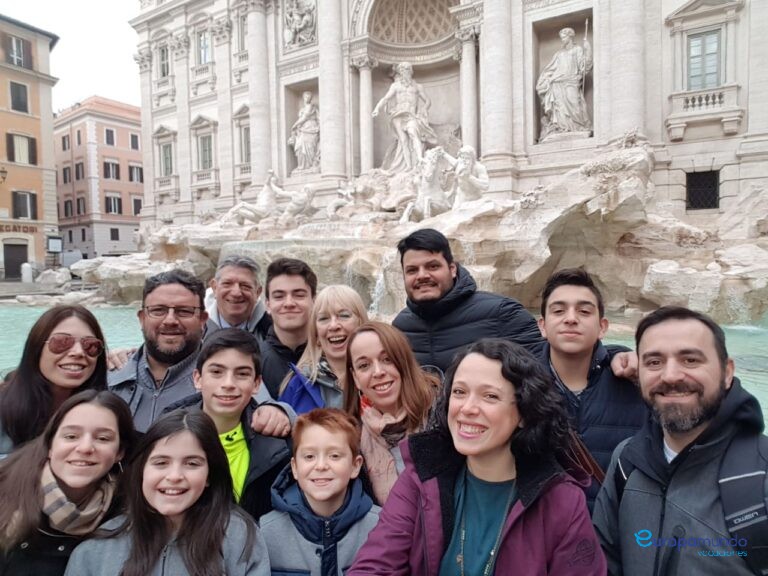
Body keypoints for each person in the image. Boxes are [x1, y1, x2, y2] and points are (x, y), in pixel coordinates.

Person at [349, 338, 606, 575]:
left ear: (525, 413)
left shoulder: (562, 502)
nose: (467, 408)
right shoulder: (421, 477)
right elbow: (376, 564)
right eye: (460, 392)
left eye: (490, 396)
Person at [593, 306, 768, 576]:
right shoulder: (626, 461)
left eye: (690, 360)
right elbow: (604, 563)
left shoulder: (761, 471)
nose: (671, 375)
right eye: (654, 362)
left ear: (727, 372)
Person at [65, 409, 270, 576]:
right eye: (161, 463)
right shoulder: (96, 550)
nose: (174, 476)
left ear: (209, 474)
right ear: (142, 470)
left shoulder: (239, 537)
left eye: (192, 463)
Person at [108, 269, 290, 436]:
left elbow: (267, 410)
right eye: (158, 311)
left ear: (203, 320)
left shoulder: (226, 375)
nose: (170, 320)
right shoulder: (111, 375)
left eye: (184, 311)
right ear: (142, 318)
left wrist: (280, 413)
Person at [538, 268, 647, 511]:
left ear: (602, 327)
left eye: (584, 311)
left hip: (613, 532)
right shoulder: (518, 385)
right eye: (558, 310)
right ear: (543, 326)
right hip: (540, 532)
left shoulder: (636, 382)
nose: (571, 318)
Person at [0, 390, 134, 575]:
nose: (85, 447)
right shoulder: (6, 492)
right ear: (50, 445)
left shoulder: (127, 513)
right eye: (71, 436)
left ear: (119, 452)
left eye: (103, 438)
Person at [164, 328, 291, 520]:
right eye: (216, 372)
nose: (228, 383)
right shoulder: (165, 438)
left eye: (241, 374)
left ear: (256, 384)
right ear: (198, 378)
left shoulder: (277, 447)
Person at [392, 228, 545, 373]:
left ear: (452, 269)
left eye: (432, 266)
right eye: (412, 270)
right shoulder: (400, 328)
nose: (422, 275)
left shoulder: (504, 313)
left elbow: (542, 379)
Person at [261, 408, 380, 575]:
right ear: (294, 467)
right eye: (309, 456)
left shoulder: (381, 528)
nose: (321, 465)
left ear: (355, 466)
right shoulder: (266, 533)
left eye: (334, 456)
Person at [344, 321, 437, 505]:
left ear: (403, 361)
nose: (378, 372)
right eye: (364, 365)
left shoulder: (444, 413)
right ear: (355, 377)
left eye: (387, 359)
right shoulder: (351, 437)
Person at [0, 304, 108, 458]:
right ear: (36, 349)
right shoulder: (5, 407)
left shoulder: (106, 409)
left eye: (90, 345)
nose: (78, 352)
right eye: (61, 342)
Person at [280, 285, 369, 414]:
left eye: (343, 316)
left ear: (361, 324)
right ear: (316, 334)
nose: (333, 326)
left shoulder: (380, 376)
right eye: (324, 318)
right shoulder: (298, 385)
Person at [260, 258, 317, 398]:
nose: (289, 303)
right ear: (267, 304)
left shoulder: (333, 355)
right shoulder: (253, 359)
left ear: (314, 301)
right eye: (279, 296)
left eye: (299, 295)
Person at [372, 62, 438, 173]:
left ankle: (420, 159)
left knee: (413, 133)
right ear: (400, 72)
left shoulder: (417, 86)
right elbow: (386, 99)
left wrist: (424, 108)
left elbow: (428, 100)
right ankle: (408, 166)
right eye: (402, 69)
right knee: (403, 141)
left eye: (407, 69)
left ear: (411, 71)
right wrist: (377, 108)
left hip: (411, 115)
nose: (405, 71)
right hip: (398, 116)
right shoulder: (395, 86)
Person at [536, 26, 593, 142]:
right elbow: (550, 70)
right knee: (560, 108)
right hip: (557, 83)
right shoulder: (559, 54)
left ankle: (578, 127)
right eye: (561, 38)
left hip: (572, 81)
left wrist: (588, 50)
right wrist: (545, 80)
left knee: (574, 105)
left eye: (564, 37)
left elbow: (584, 67)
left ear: (570, 37)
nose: (562, 40)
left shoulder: (577, 50)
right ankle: (562, 128)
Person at [206, 255, 272, 342]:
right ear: (214, 287)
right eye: (227, 283)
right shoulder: (195, 326)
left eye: (245, 286)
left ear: (258, 292)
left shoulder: (273, 329)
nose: (236, 293)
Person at [289, 91, 320, 171]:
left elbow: (304, 118)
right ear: (303, 98)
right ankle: (302, 166)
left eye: (309, 97)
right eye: (306, 97)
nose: (307, 98)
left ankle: (309, 165)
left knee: (309, 147)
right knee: (300, 146)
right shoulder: (303, 109)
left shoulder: (310, 107)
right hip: (303, 130)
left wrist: (294, 125)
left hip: (311, 128)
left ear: (311, 98)